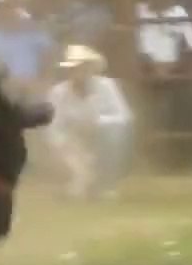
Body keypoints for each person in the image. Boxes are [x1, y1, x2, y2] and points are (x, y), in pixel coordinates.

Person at [46, 44, 132, 200]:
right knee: (78, 181)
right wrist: (65, 147)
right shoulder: (57, 93)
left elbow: (123, 116)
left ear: (91, 69)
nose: (78, 72)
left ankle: (107, 185)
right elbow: (53, 127)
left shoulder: (107, 86)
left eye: (82, 68)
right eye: (74, 69)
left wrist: (97, 123)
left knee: (114, 134)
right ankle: (77, 180)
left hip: (101, 138)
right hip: (71, 142)